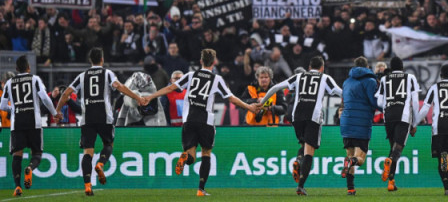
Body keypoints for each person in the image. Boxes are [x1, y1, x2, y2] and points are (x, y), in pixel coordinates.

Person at [143, 49, 259, 196]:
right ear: (214, 62)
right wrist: (249, 107)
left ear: (201, 61)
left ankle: (186, 157)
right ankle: (200, 189)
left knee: (191, 155)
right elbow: (231, 98)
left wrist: (151, 96)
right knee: (206, 153)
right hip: (206, 121)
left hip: (189, 119)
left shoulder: (190, 75)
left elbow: (171, 87)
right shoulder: (217, 79)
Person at [55, 47, 146, 196]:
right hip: (105, 117)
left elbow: (66, 93)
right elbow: (119, 87)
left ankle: (87, 185)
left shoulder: (82, 75)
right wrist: (137, 98)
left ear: (90, 60)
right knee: (108, 144)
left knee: (88, 152)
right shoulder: (107, 73)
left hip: (87, 118)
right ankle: (100, 164)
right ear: (102, 59)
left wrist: (57, 111)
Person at [259, 56, 342, 195]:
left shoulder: (299, 76)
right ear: (322, 68)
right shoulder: (325, 78)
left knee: (304, 145)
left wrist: (262, 102)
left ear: (309, 67)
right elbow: (340, 92)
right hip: (313, 117)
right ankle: (300, 186)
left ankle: (298, 159)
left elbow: (276, 87)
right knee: (309, 152)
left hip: (296, 117)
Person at [0, 56, 60, 196]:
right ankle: (30, 168)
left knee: (17, 155)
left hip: (17, 124)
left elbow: (2, 105)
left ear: (16, 69)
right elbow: (45, 98)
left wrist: (14, 110)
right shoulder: (35, 79)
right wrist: (54, 113)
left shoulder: (9, 83)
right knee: (37, 154)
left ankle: (17, 187)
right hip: (34, 122)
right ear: (29, 67)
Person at [417, 64, 448, 196]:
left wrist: (414, 123)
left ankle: (447, 188)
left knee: (440, 158)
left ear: (440, 76)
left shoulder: (434, 88)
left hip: (438, 128)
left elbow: (425, 108)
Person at [376, 56, 420, 192]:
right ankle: (389, 162)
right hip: (403, 116)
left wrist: (388, 106)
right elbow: (415, 102)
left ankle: (391, 182)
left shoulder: (385, 79)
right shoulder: (410, 77)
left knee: (393, 148)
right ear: (402, 67)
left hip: (388, 117)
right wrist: (415, 123)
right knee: (397, 150)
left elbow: (379, 102)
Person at [340, 56, 381, 196]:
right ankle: (351, 162)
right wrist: (387, 108)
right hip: (362, 122)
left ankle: (350, 188)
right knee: (359, 159)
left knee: (349, 155)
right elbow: (374, 102)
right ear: (367, 67)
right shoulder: (370, 81)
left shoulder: (346, 82)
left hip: (346, 122)